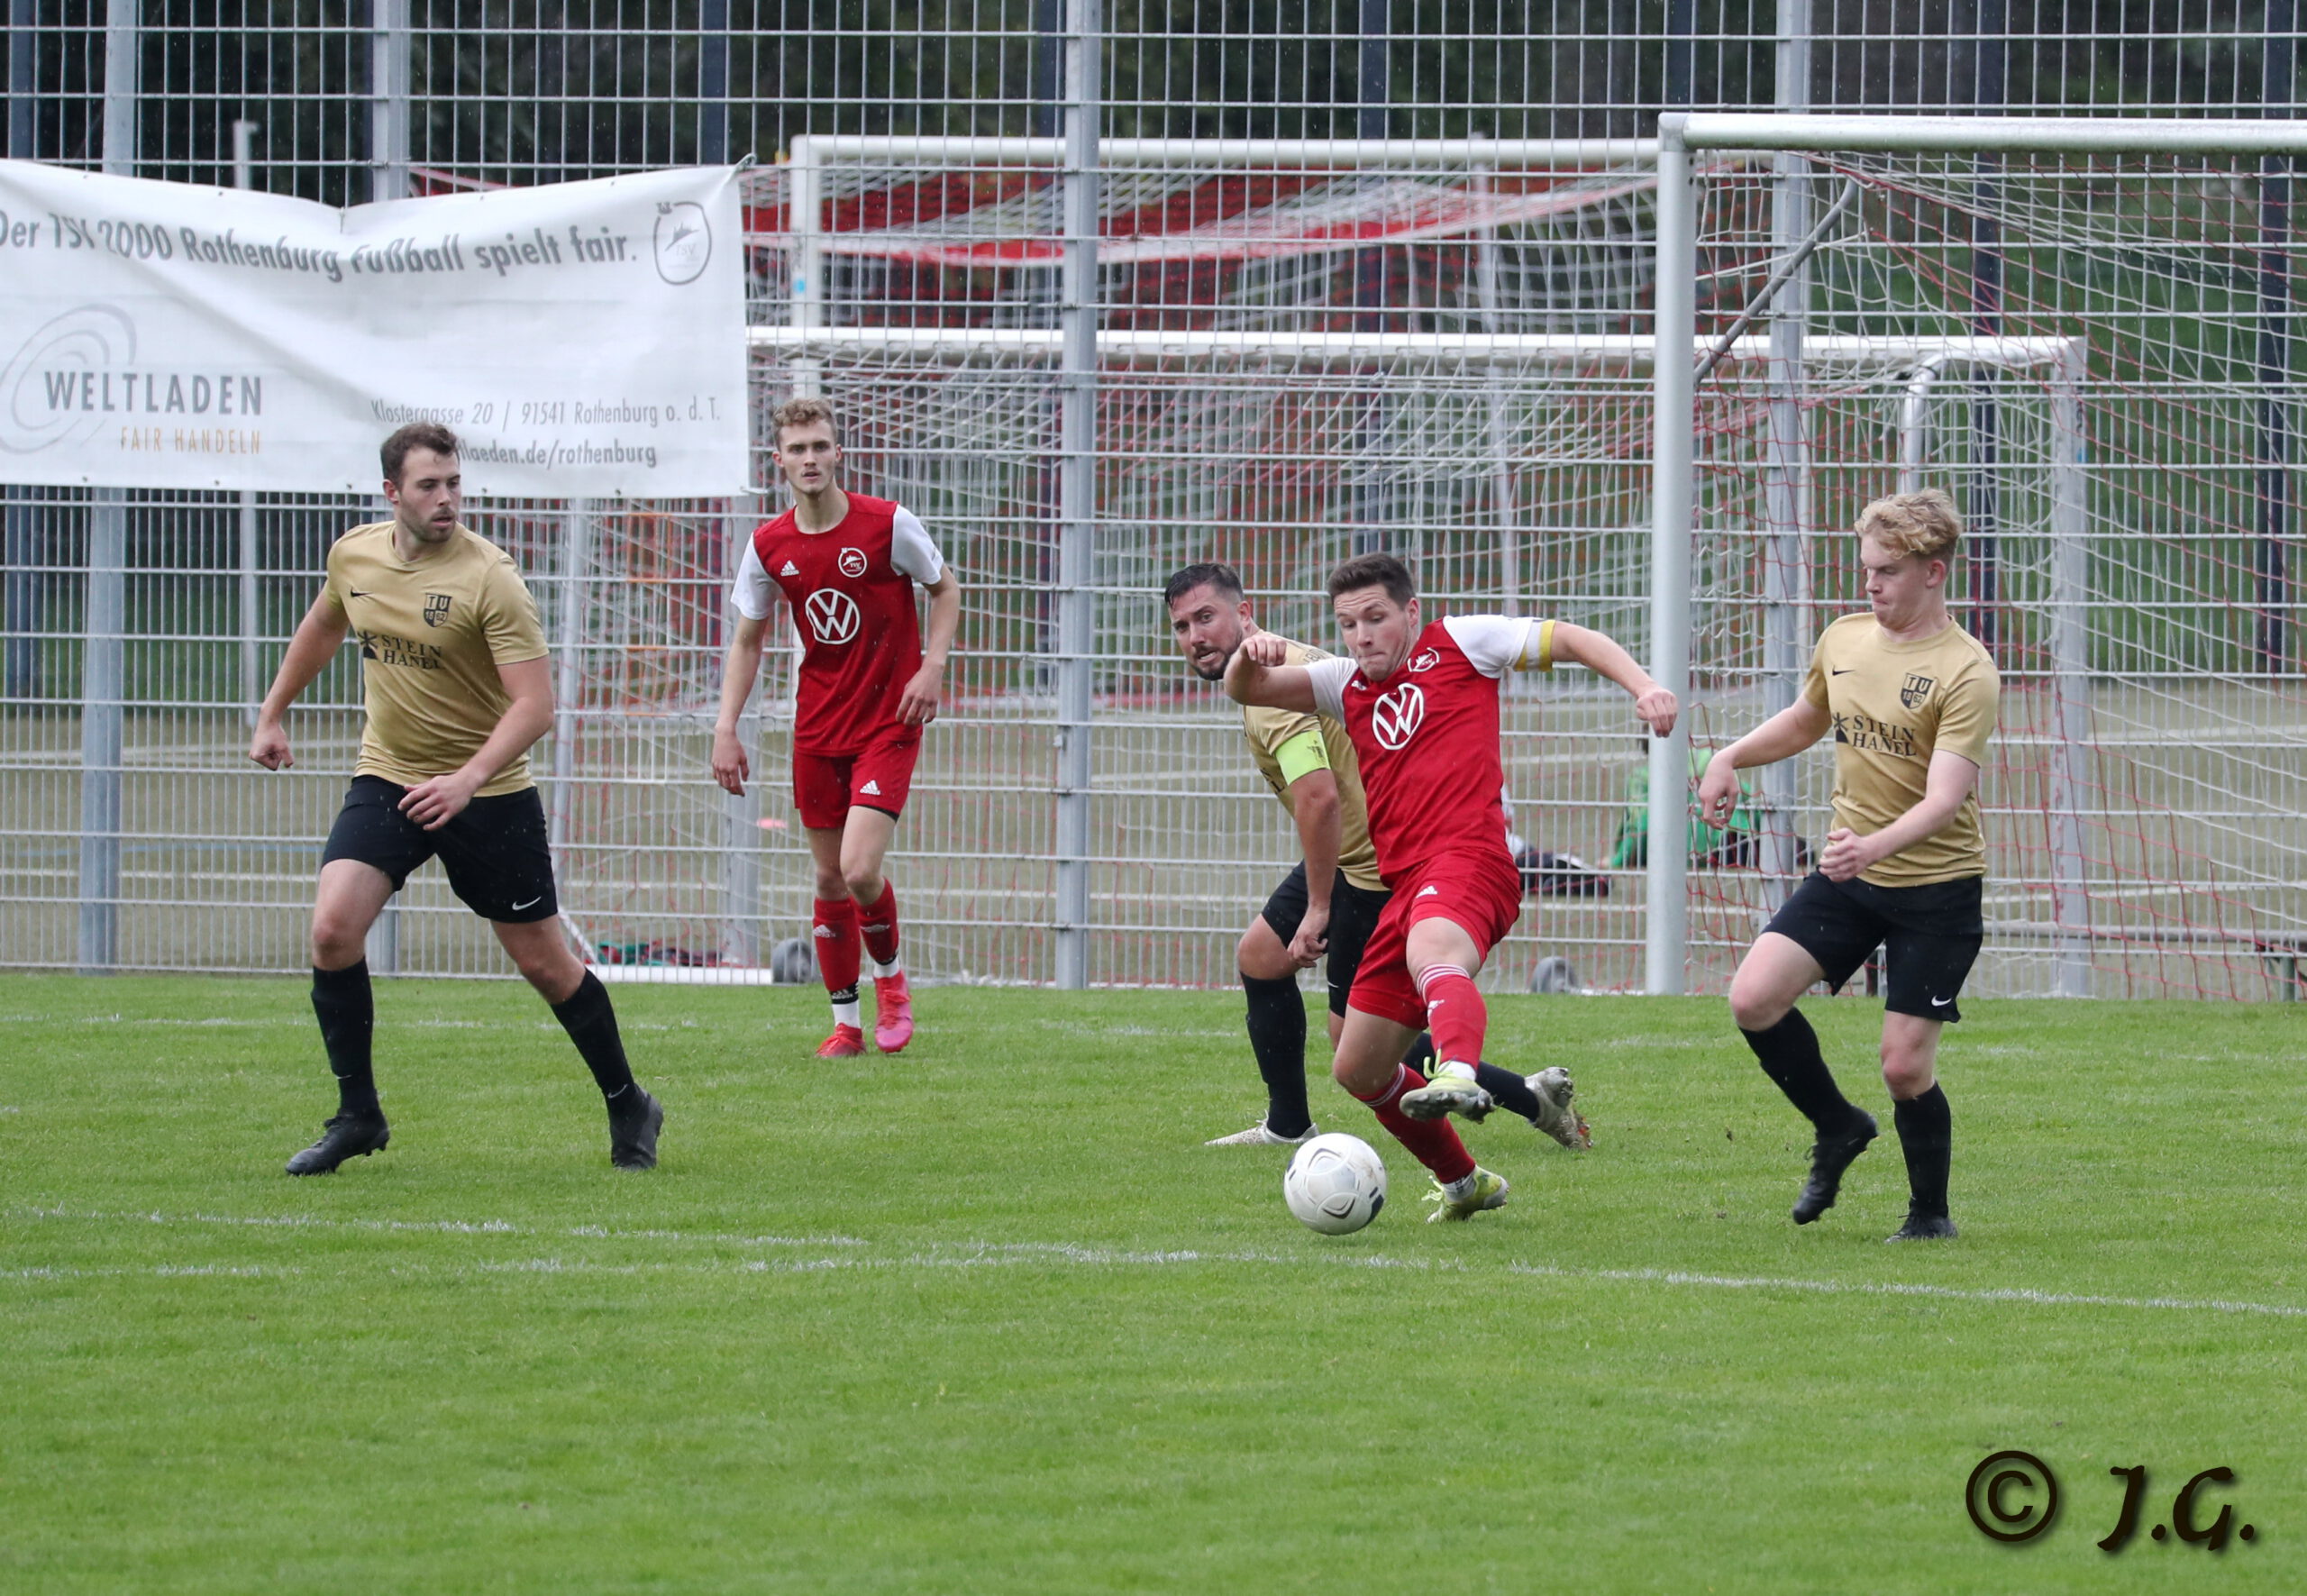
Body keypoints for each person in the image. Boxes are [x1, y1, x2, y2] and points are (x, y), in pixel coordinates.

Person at [250, 423, 662, 1174]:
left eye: (453, 484)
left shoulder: (489, 577)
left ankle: (629, 1100)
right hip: (389, 776)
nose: (446, 500)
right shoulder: (355, 555)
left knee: (546, 965)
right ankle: (357, 1115)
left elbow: (535, 706)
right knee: (332, 931)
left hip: (489, 791)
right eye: (428, 486)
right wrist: (273, 709)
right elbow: (322, 624)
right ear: (392, 494)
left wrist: (467, 779)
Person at [1226, 553, 1675, 1220]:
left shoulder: (1462, 641)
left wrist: (1644, 686)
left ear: (1410, 611)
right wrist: (1247, 654)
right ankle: (1467, 1183)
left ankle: (1458, 1071)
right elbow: (1247, 689)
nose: (1362, 636)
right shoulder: (1339, 681)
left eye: (1375, 618)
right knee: (1358, 1068)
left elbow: (1572, 638)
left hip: (1470, 859)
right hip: (1403, 885)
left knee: (1434, 950)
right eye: (1348, 624)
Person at [1165, 562, 1591, 1151]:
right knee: (1265, 959)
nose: (1195, 637)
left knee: (1359, 1042)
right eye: (1183, 626)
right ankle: (1292, 1123)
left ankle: (1514, 1100)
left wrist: (1319, 906)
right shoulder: (1297, 668)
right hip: (1354, 856)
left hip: (1372, 866)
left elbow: (1319, 798)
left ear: (1244, 613)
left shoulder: (1280, 684)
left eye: (1206, 618)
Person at [1698, 488, 1999, 1242]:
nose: (1871, 583)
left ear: (1934, 572)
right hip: (1850, 874)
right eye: (1865, 568)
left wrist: (1870, 844)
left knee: (1903, 1066)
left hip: (1936, 888)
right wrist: (1730, 755)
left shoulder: (1967, 671)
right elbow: (1807, 719)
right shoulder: (1844, 639)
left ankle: (1930, 1215)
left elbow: (1943, 799)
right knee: (1753, 997)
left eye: (1888, 571)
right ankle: (1837, 1126)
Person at [713, 397, 961, 1056]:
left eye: (820, 445)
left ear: (838, 451)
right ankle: (846, 1024)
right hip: (817, 725)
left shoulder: (887, 525)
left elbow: (945, 588)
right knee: (827, 880)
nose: (810, 458)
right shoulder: (769, 544)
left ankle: (893, 988)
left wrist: (931, 665)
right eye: (797, 449)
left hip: (889, 718)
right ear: (779, 461)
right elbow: (747, 640)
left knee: (857, 869)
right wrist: (725, 727)